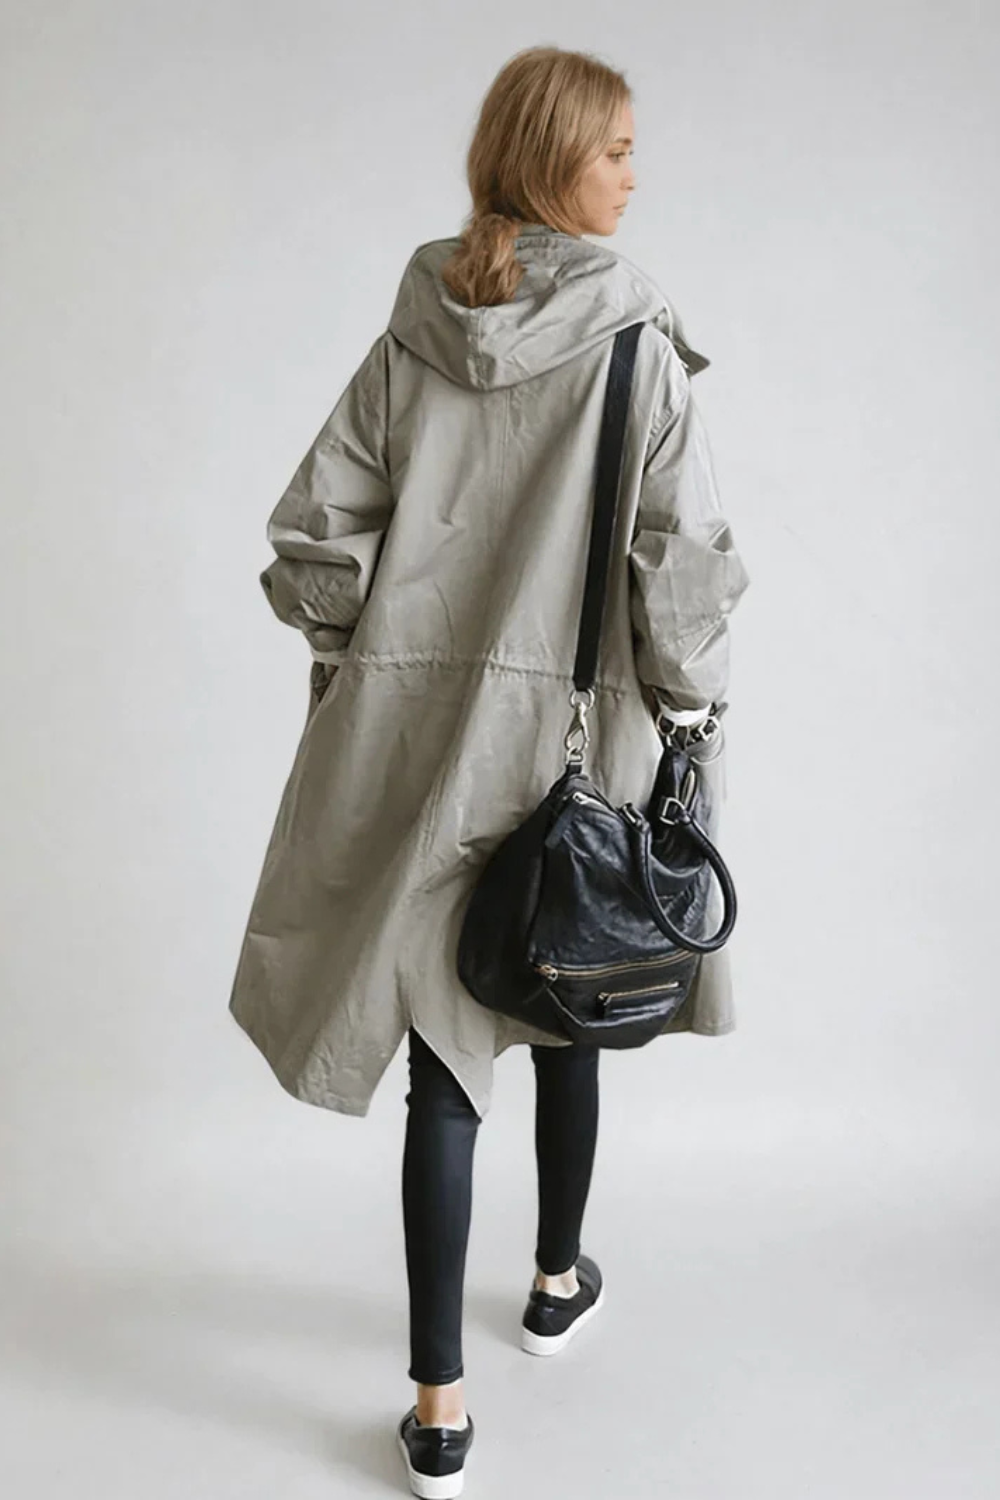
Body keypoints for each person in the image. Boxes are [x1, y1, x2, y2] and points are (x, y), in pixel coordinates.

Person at [227, 43, 750, 1498]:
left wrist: (375, 659)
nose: (636, 173)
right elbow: (681, 566)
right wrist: (692, 709)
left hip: (418, 744)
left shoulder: (419, 328)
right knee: (573, 989)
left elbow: (316, 531)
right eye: (616, 147)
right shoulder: (639, 344)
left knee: (444, 1059)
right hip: (581, 729)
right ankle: (556, 1281)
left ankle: (440, 1408)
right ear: (549, 158)